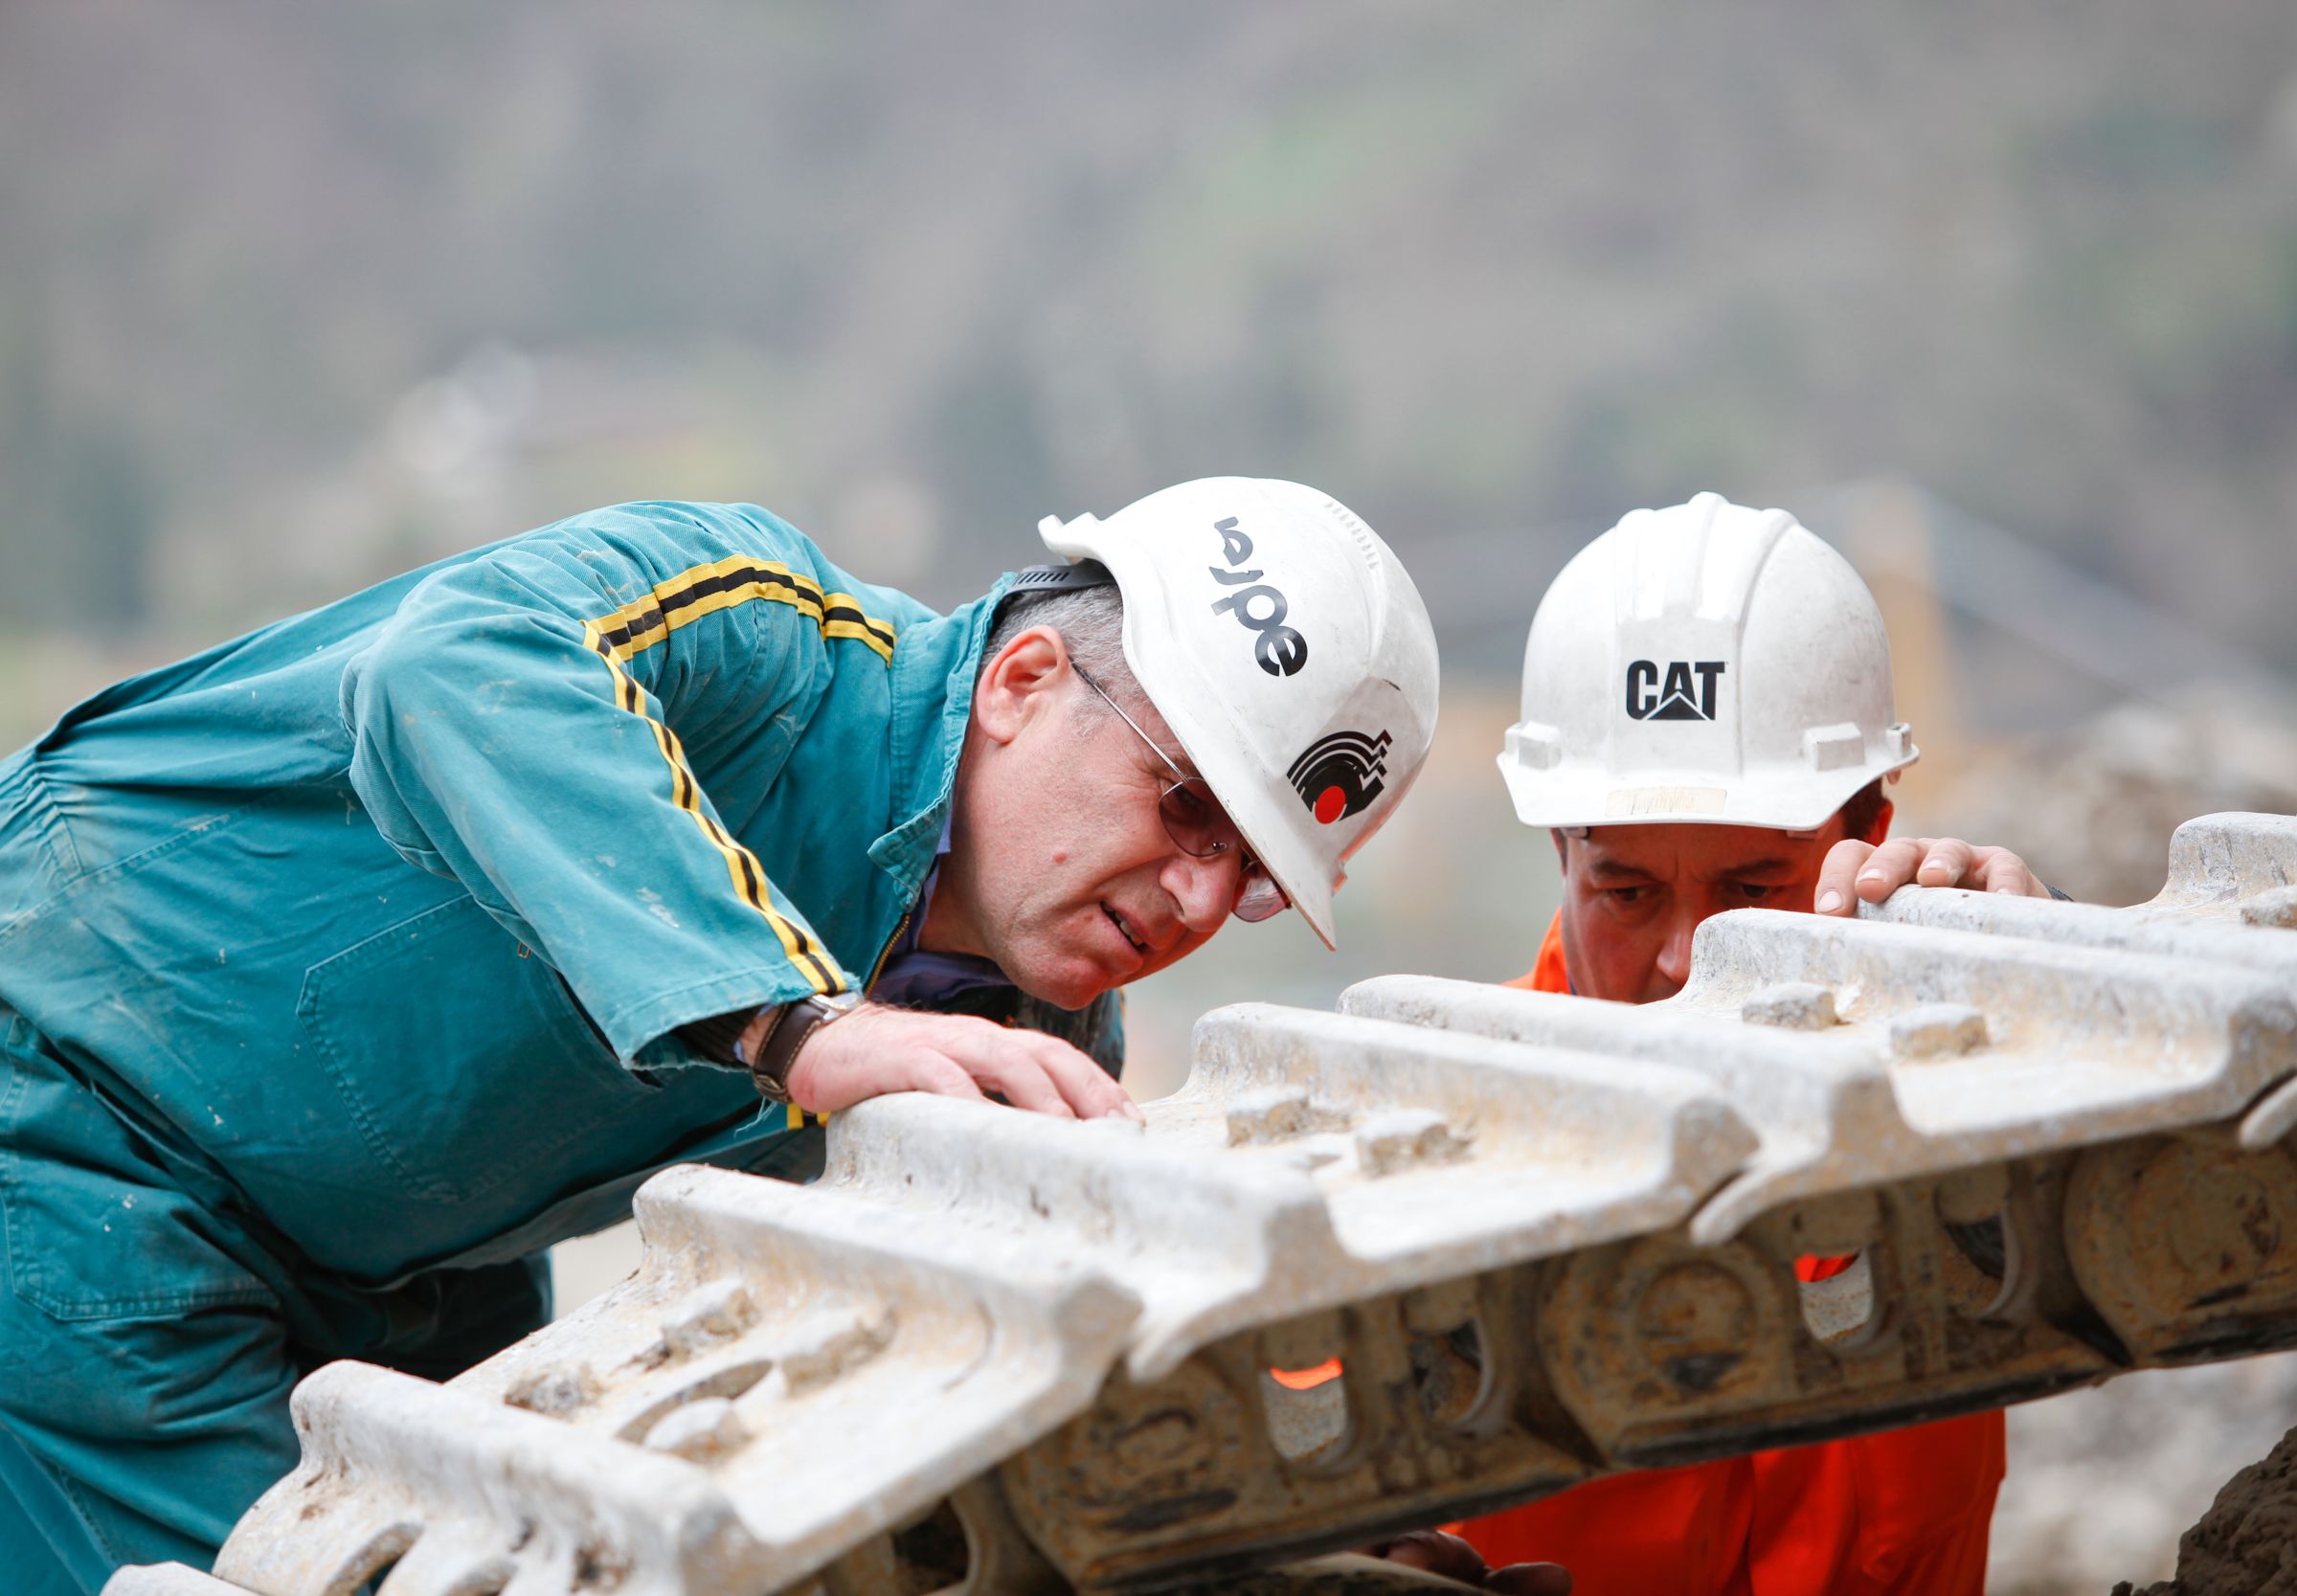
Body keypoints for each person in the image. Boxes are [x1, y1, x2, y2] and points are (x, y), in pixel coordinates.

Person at [0, 478, 1439, 1592]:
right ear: (1024, 683)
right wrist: (794, 1022)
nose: (1196, 892)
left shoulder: (1033, 1035)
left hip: (400, 1267)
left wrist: (1272, 1528)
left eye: (1251, 872)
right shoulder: (759, 630)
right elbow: (457, 660)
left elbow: (996, 1368)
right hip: (74, 1112)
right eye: (1185, 801)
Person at [1437, 493, 2038, 1596]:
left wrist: (2038, 993)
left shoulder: (1947, 1086)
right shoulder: (1429, 1166)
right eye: (1625, 891)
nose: (1682, 957)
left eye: (1752, 889)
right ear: (1559, 851)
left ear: (1867, 835)